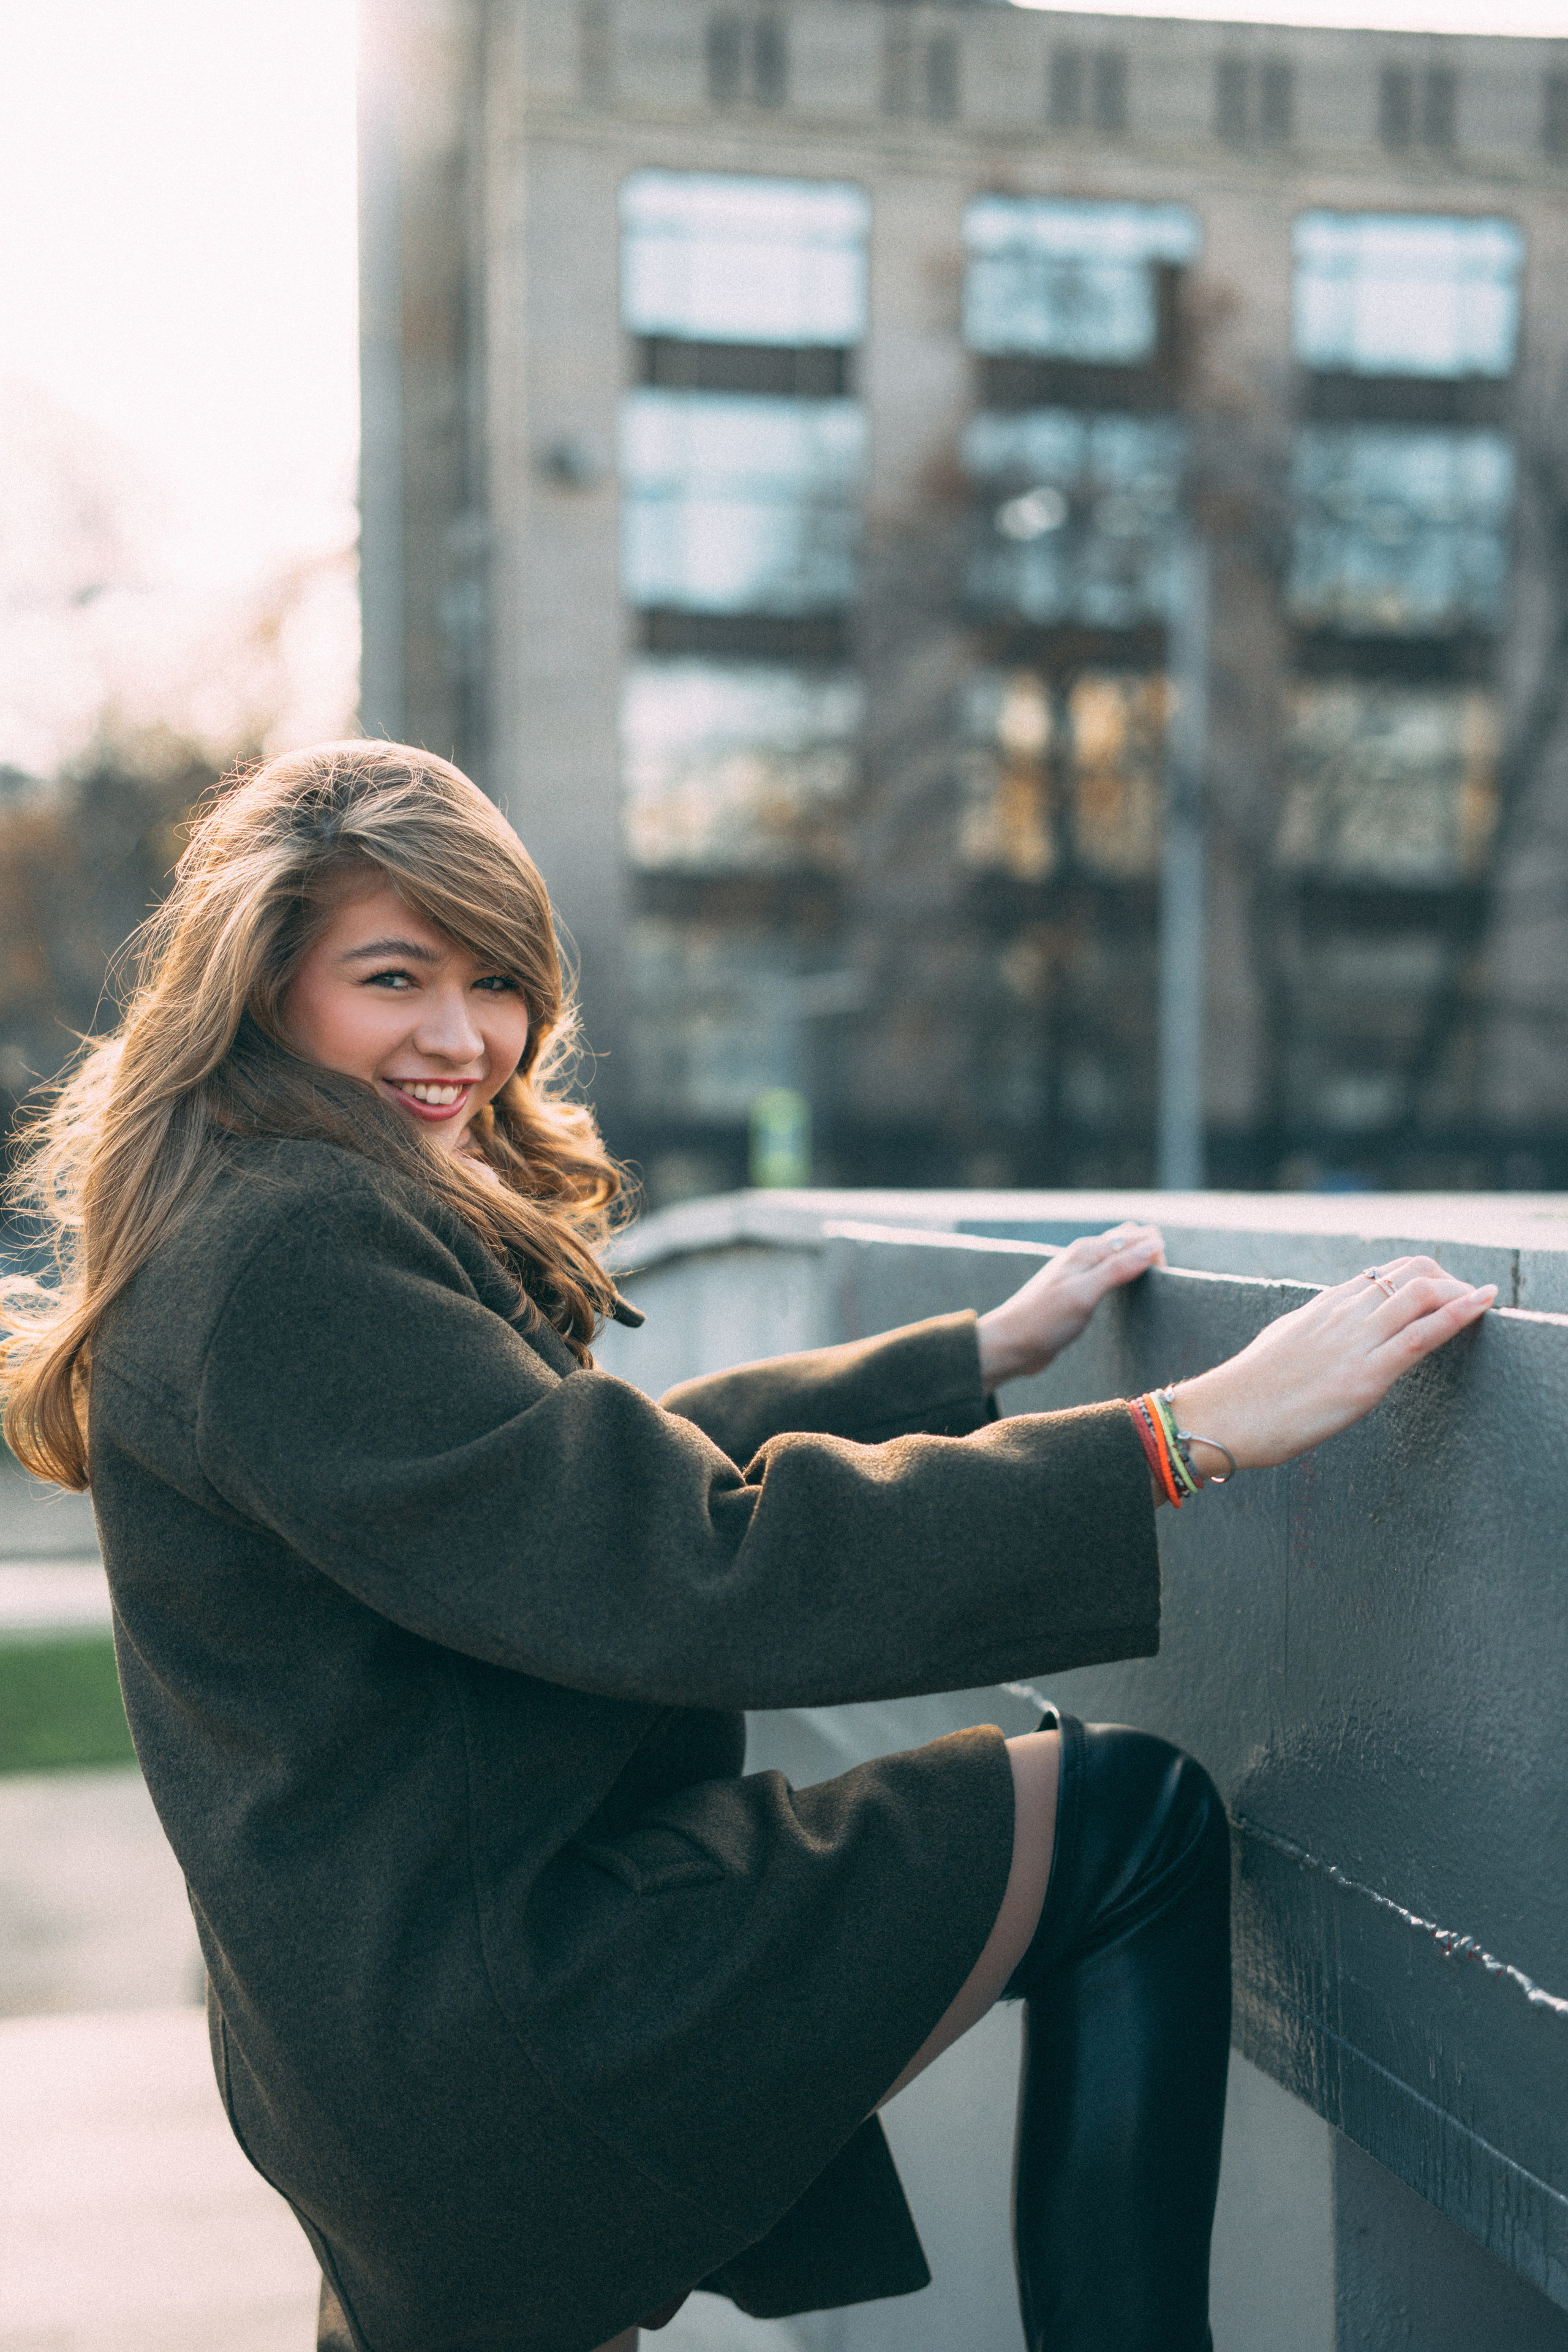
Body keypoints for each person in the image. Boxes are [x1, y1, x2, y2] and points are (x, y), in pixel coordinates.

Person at [0, 742, 1494, 2352]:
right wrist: (1179, 1435)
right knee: (1126, 1827)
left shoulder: (249, 1204)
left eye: (497, 980)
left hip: (398, 2029)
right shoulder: (298, 1242)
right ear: (264, 979)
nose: (463, 1037)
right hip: (512, 2010)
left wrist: (960, 1361)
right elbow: (680, 1565)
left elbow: (552, 1487)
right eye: (394, 976)